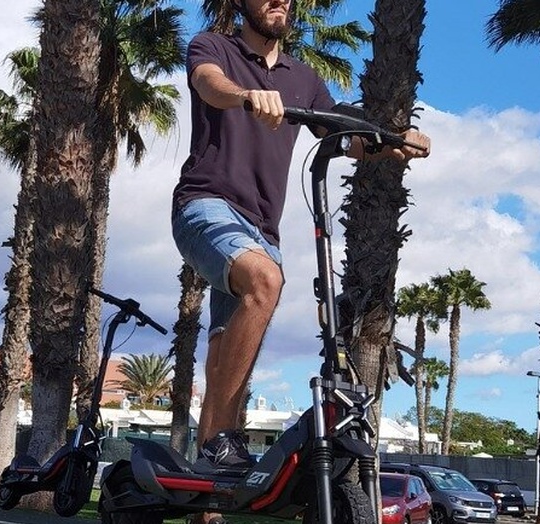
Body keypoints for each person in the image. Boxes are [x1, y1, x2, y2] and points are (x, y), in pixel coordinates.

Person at [171, 1, 429, 522]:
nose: (281, 2)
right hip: (204, 205)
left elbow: (344, 138)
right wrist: (247, 97)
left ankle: (206, 492)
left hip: (264, 229)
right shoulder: (215, 47)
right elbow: (209, 85)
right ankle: (223, 436)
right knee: (266, 282)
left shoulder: (304, 78)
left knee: (225, 356)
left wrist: (394, 142)